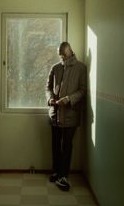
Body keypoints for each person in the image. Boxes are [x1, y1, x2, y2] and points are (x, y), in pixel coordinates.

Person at [46, 41, 87, 191]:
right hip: (55, 113)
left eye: (63, 53)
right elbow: (48, 87)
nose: (62, 57)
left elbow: (83, 90)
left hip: (71, 113)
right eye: (60, 54)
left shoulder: (81, 68)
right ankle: (56, 171)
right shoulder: (55, 68)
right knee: (55, 144)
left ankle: (63, 176)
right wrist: (50, 98)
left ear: (70, 50)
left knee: (67, 145)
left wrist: (69, 99)